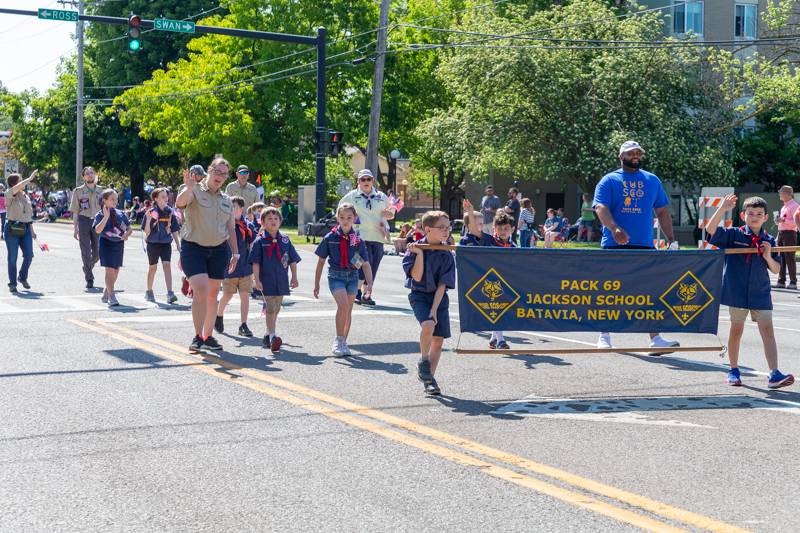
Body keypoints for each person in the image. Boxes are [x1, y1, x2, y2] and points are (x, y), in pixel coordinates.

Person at [592, 140, 680, 351]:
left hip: (645, 245)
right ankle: (604, 335)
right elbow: (600, 207)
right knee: (610, 290)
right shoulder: (609, 180)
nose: (636, 156)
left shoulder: (652, 180)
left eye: (639, 153)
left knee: (650, 291)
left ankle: (655, 338)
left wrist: (671, 239)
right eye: (631, 153)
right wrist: (615, 229)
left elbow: (662, 211)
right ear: (621, 157)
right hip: (614, 245)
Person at [707, 194, 794, 389]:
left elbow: (776, 269)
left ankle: (774, 373)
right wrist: (722, 208)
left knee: (768, 331)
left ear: (765, 218)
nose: (755, 216)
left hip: (760, 292)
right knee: (736, 331)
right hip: (736, 291)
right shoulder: (734, 235)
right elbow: (710, 231)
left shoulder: (769, 240)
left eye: (759, 214)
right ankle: (734, 370)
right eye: (751, 213)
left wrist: (768, 255)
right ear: (743, 215)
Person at [176, 158, 240, 353]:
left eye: (224, 174)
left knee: (213, 295)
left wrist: (235, 253)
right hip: (194, 248)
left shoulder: (226, 200)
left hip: (218, 250)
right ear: (209, 171)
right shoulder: (194, 189)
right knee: (201, 290)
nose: (220, 176)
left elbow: (231, 228)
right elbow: (180, 203)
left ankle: (208, 336)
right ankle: (197, 337)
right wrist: (188, 188)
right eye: (217, 172)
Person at [404, 210, 456, 396]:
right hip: (419, 295)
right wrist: (418, 254)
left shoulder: (447, 253)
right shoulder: (414, 248)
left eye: (448, 227)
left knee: (438, 340)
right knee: (427, 325)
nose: (446, 231)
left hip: (439, 298)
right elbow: (416, 277)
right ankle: (423, 362)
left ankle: (429, 380)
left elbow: (443, 285)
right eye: (441, 227)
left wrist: (435, 309)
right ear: (427, 229)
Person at [313, 203, 374, 357]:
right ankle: (338, 340)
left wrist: (369, 284)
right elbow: (321, 261)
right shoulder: (331, 237)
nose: (345, 220)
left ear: (355, 219)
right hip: (336, 276)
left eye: (349, 217)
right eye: (342, 217)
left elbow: (365, 264)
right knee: (343, 306)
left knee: (348, 309)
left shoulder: (357, 240)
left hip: (352, 276)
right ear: (337, 218)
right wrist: (316, 284)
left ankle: (344, 342)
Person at [464, 199, 516, 349]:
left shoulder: (513, 246)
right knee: (497, 309)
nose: (503, 231)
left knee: (502, 310)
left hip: (506, 282)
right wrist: (470, 211)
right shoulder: (490, 240)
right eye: (500, 228)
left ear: (512, 229)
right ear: (495, 229)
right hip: (491, 282)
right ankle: (501, 340)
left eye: (506, 228)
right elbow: (474, 230)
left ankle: (494, 337)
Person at [338, 169, 394, 306]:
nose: (366, 182)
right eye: (363, 179)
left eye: (368, 179)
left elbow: (391, 212)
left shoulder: (381, 196)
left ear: (372, 181)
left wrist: (389, 214)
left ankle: (366, 294)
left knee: (373, 265)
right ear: (358, 182)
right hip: (359, 236)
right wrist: (345, 226)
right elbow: (340, 211)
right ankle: (356, 291)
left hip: (378, 236)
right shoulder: (352, 196)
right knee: (361, 263)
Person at [249, 207, 301, 352]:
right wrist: (256, 279)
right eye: (269, 219)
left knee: (276, 308)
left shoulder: (285, 240)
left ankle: (267, 334)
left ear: (280, 221)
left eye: (276, 219)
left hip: (282, 279)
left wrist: (294, 277)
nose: (273, 221)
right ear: (263, 223)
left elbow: (292, 260)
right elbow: (255, 262)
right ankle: (273, 336)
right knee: (270, 308)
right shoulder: (260, 242)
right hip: (267, 280)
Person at [215, 196, 256, 337]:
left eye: (236, 208)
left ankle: (243, 324)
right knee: (227, 295)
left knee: (245, 296)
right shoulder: (224, 225)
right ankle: (218, 315)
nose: (233, 211)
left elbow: (253, 244)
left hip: (245, 267)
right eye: (230, 208)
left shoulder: (248, 226)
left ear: (242, 209)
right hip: (229, 267)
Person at [93, 189, 132, 307]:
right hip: (106, 243)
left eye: (116, 199)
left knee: (115, 270)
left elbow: (129, 228)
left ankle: (107, 290)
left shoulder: (121, 213)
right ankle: (111, 296)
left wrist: (127, 234)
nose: (115, 201)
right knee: (109, 270)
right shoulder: (100, 214)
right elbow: (97, 230)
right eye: (112, 199)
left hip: (118, 244)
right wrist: (106, 217)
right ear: (104, 201)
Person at [142, 187, 181, 304]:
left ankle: (170, 293)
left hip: (165, 243)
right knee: (153, 267)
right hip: (153, 244)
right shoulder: (151, 212)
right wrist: (148, 219)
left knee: (167, 266)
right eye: (163, 197)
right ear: (156, 199)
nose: (166, 199)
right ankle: (149, 291)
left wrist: (178, 245)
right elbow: (147, 232)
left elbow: (174, 230)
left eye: (166, 197)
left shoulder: (170, 212)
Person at [4, 171, 38, 293]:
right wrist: (29, 178)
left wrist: (32, 231)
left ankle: (22, 277)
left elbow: (28, 216)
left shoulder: (25, 196)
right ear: (15, 183)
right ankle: (12, 283)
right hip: (12, 229)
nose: (23, 181)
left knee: (29, 255)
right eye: (21, 180)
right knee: (12, 258)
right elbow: (15, 189)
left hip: (25, 229)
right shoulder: (9, 193)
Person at [70, 166, 103, 289]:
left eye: (92, 173)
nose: (90, 175)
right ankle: (89, 278)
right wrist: (75, 228)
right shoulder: (78, 191)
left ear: (94, 175)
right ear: (83, 177)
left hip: (98, 222)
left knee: (98, 253)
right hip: (84, 221)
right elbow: (75, 211)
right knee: (85, 252)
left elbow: (107, 208)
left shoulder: (102, 191)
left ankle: (87, 267)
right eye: (87, 173)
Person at [774, 185, 798, 290]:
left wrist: (783, 221)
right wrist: (778, 221)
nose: (779, 194)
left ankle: (793, 282)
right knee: (781, 258)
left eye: (781, 192)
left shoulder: (795, 206)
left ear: (788, 194)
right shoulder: (784, 206)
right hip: (782, 233)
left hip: (790, 234)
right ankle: (781, 281)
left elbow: (796, 223)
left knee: (790, 258)